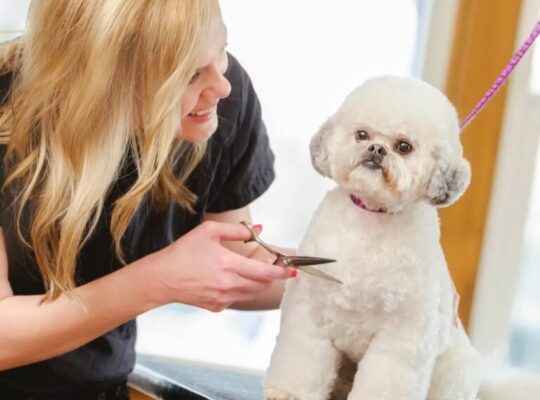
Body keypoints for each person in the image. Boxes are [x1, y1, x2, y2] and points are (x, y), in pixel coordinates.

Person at [0, 1, 297, 398]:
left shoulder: (224, 102)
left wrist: (362, 284)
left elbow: (237, 264)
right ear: (101, 80)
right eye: (189, 75)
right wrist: (159, 279)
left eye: (222, 50)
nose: (221, 87)